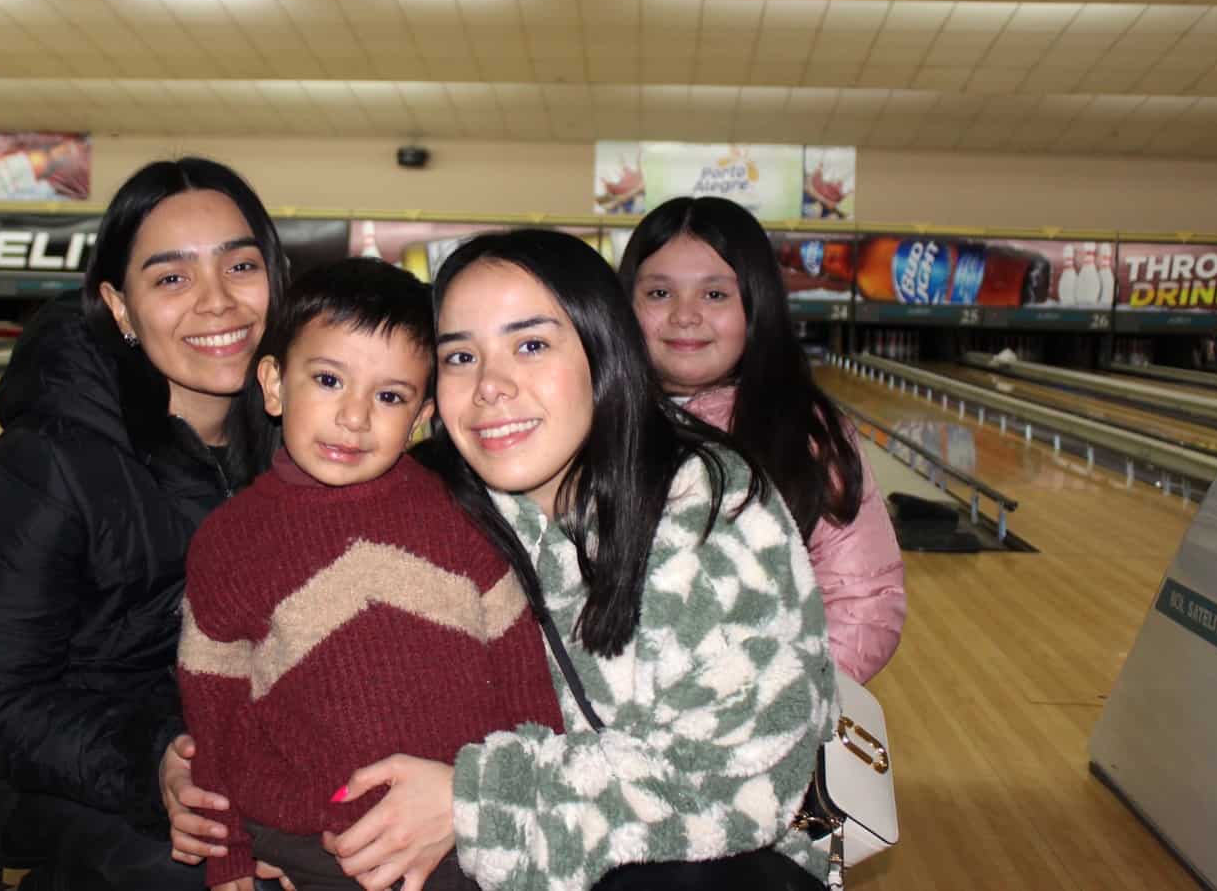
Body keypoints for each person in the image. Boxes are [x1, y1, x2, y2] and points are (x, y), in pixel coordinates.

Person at [319, 230, 837, 891]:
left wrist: (472, 804)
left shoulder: (708, 502)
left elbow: (736, 769)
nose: (490, 387)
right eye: (459, 357)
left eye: (531, 345)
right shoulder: (423, 501)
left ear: (602, 351)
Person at [0, 158, 290, 891]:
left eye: (241, 265)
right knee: (194, 875)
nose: (218, 302)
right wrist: (152, 762)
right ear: (119, 306)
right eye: (171, 278)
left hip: (178, 725)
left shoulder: (300, 445)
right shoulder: (49, 460)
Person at [177, 258, 563, 891]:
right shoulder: (228, 543)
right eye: (329, 380)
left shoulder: (461, 515)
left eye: (389, 396)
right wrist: (229, 859)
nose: (354, 417)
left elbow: (524, 681)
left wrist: (522, 817)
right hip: (313, 840)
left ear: (420, 417)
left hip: (457, 834)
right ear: (274, 385)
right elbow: (217, 717)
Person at [618, 197, 906, 684]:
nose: (685, 315)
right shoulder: (594, 422)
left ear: (755, 305)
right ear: (625, 304)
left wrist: (783, 705)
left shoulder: (807, 433)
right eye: (660, 293)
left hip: (761, 727)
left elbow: (863, 600)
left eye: (715, 295)